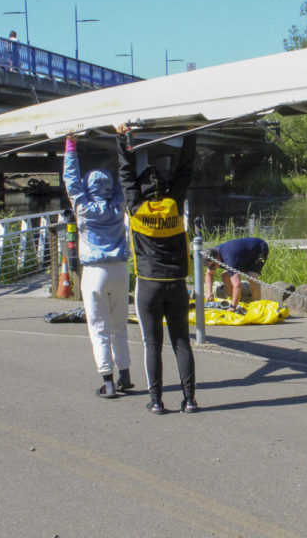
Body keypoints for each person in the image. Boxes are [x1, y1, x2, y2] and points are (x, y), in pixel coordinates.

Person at [117, 125, 199, 415]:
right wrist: (191, 134)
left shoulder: (136, 209)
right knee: (181, 343)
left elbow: (125, 175)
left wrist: (124, 139)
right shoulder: (174, 206)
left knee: (153, 345)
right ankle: (189, 400)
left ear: (142, 191)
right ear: (164, 189)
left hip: (148, 285)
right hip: (176, 284)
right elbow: (184, 171)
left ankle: (156, 401)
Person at [62, 134, 132, 399]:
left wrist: (71, 146)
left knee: (98, 329)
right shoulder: (118, 205)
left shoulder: (83, 207)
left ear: (87, 187)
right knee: (119, 326)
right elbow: (123, 180)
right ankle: (125, 375)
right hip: (119, 271)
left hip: (94, 273)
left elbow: (71, 179)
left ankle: (108, 380)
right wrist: (123, 145)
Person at [203, 237, 269, 311]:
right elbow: (209, 274)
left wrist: (233, 308)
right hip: (240, 255)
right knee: (225, 276)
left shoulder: (230, 260)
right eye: (208, 266)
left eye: (212, 265)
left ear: (217, 258)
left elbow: (237, 285)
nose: (212, 268)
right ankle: (231, 301)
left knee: (251, 277)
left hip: (258, 249)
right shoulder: (212, 255)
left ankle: (257, 305)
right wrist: (209, 292)